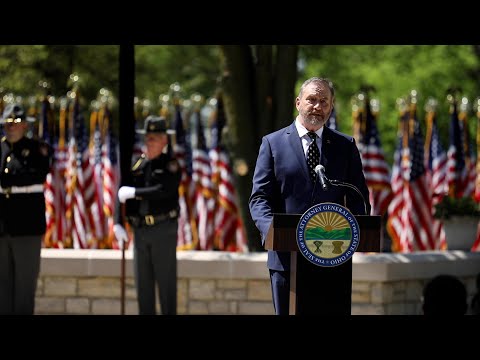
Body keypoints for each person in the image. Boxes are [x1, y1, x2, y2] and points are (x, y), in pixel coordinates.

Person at [249, 77, 371, 315]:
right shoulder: (272, 144)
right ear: (298, 103)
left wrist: (355, 230)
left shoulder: (345, 145)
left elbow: (358, 197)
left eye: (324, 101)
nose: (317, 106)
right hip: (287, 259)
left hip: (333, 258)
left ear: (331, 106)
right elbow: (259, 198)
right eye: (312, 100)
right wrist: (270, 230)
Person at [114, 115, 180, 315]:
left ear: (164, 141)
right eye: (147, 137)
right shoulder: (138, 164)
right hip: (140, 230)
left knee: (166, 286)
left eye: (154, 137)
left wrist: (135, 193)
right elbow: (122, 192)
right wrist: (118, 222)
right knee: (143, 287)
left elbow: (163, 190)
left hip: (163, 230)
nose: (149, 142)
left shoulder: (170, 164)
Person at [0, 103, 53, 315]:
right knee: (2, 287)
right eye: (7, 123)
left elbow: (37, 175)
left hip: (26, 227)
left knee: (24, 287)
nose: (10, 128)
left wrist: (8, 181)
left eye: (15, 123)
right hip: (2, 228)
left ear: (24, 126)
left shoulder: (36, 150)